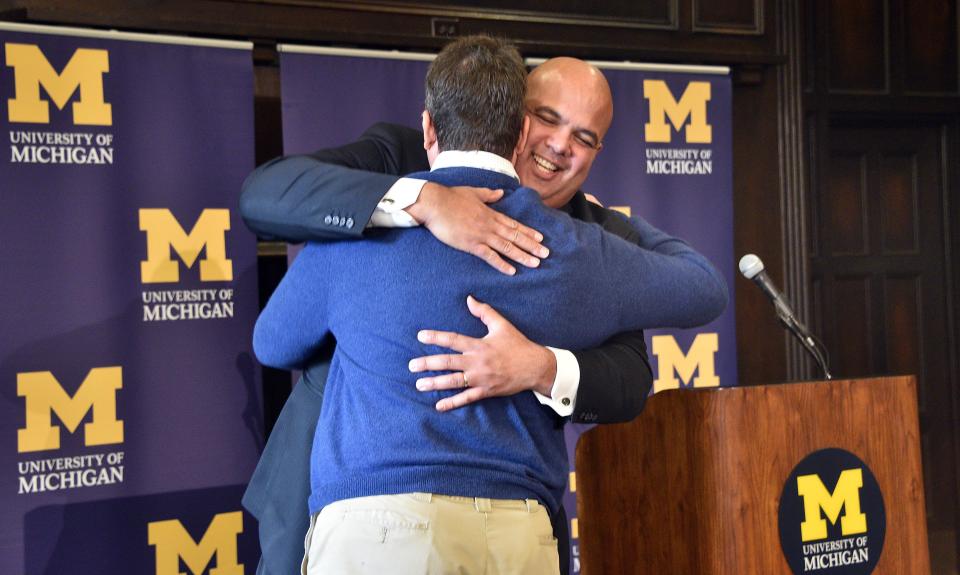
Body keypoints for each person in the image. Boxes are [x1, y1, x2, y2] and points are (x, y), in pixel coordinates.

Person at [252, 35, 726, 574]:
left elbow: (274, 341)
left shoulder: (588, 237)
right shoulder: (388, 184)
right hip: (384, 511)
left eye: (585, 137)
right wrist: (416, 199)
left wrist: (541, 366)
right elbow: (266, 192)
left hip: (411, 524)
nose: (560, 145)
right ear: (517, 121)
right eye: (548, 118)